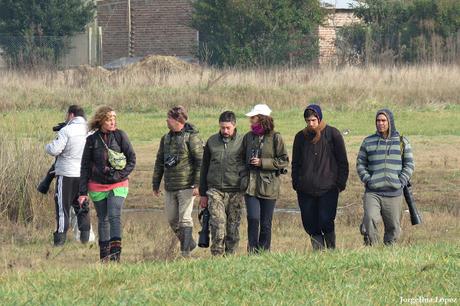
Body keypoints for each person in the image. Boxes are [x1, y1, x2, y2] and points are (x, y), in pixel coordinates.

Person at [78, 106, 136, 262]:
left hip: (119, 184)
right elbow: (84, 167)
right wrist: (82, 193)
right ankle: (104, 256)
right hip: (97, 185)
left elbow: (132, 159)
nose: (112, 122)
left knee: (114, 214)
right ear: (100, 120)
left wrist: (119, 175)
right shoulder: (91, 140)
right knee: (102, 218)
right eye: (109, 119)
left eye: (114, 118)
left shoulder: (120, 136)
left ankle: (116, 256)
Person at [291, 104, 349, 250]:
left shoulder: (333, 134)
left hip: (328, 188)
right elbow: (295, 162)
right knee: (310, 223)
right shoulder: (300, 137)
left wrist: (339, 183)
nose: (311, 124)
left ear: (319, 118)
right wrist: (296, 183)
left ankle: (331, 249)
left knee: (326, 220)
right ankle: (318, 252)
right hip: (305, 189)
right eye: (308, 121)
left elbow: (342, 161)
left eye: (313, 120)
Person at [356, 109, 415, 246]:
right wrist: (368, 179)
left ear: (390, 122)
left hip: (394, 193)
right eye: (378, 120)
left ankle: (389, 255)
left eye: (383, 120)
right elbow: (360, 164)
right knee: (370, 219)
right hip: (373, 192)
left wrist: (400, 181)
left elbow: (409, 165)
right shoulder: (368, 142)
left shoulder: (402, 141)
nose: (380, 123)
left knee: (393, 228)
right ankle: (373, 250)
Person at [152, 106, 203, 257]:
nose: (166, 121)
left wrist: (198, 184)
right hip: (170, 186)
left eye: (168, 118)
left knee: (185, 219)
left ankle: (185, 252)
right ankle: (190, 243)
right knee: (172, 219)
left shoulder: (192, 138)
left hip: (187, 186)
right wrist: (155, 184)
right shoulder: (165, 138)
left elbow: (200, 161)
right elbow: (159, 161)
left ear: (177, 120)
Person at [240, 104, 289, 253]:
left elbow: (284, 160)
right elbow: (240, 159)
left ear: (261, 118)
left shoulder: (276, 137)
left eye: (253, 118)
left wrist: (263, 163)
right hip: (250, 186)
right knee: (253, 219)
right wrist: (243, 176)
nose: (251, 121)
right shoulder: (248, 137)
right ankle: (252, 252)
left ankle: (264, 252)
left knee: (266, 223)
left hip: (269, 186)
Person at [199, 111, 244, 256]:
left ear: (234, 125)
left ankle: (230, 258)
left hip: (236, 191)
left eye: (228, 128)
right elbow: (204, 168)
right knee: (218, 225)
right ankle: (217, 256)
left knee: (232, 228)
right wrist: (203, 194)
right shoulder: (212, 141)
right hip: (215, 190)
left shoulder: (243, 141)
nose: (225, 131)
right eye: (222, 127)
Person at [45, 105, 91, 246]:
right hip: (83, 175)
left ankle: (59, 240)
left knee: (62, 207)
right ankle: (85, 238)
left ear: (71, 115)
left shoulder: (66, 130)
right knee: (82, 206)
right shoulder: (90, 130)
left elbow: (55, 150)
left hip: (66, 174)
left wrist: (47, 145)